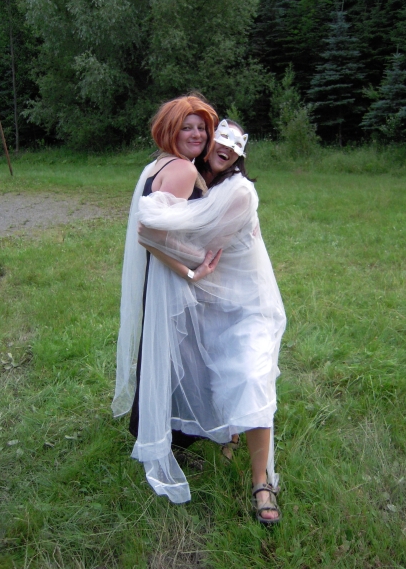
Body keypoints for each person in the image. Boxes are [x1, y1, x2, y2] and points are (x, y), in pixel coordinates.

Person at [113, 106, 286, 523]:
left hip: (248, 305)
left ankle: (262, 483)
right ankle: (229, 436)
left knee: (252, 378)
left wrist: (179, 258)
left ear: (241, 154)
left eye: (234, 145)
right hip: (211, 301)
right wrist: (174, 255)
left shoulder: (239, 192)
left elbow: (200, 247)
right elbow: (159, 234)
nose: (225, 147)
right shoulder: (197, 178)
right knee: (217, 373)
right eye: (218, 139)